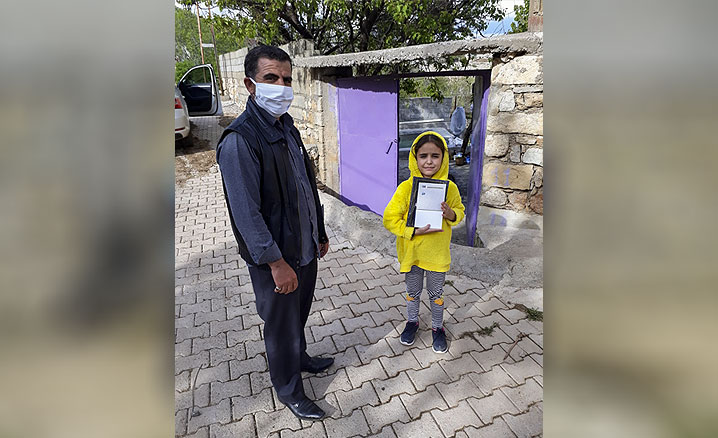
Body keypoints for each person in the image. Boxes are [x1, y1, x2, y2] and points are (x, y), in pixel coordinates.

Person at [215, 45, 332, 421]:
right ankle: (289, 390)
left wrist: (319, 231)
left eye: (286, 79)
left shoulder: (287, 127)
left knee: (297, 315)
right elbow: (247, 216)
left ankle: (300, 358)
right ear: (250, 85)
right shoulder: (240, 140)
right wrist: (276, 264)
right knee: (280, 326)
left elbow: (304, 185)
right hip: (277, 259)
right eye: (271, 78)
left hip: (304, 247)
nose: (281, 86)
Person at [382, 131, 465, 353]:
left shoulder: (450, 188)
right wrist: (411, 231)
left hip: (436, 255)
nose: (429, 161)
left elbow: (460, 211)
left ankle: (437, 327)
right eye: (423, 156)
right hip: (413, 254)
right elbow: (389, 219)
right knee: (413, 291)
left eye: (435, 156)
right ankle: (412, 322)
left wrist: (451, 214)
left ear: (443, 158)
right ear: (415, 158)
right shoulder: (406, 188)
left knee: (436, 293)